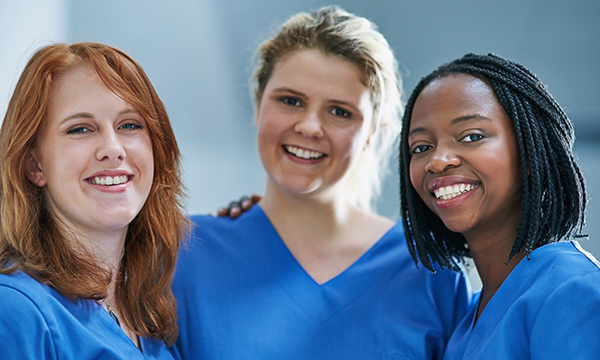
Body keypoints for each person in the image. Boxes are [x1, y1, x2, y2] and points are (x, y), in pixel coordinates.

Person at [172, 6, 470, 360]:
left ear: (372, 133)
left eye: (340, 111)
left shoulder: (431, 273)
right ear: (258, 103)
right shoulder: (183, 255)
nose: (310, 127)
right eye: (291, 100)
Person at [399, 53, 600, 359]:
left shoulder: (572, 289)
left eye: (471, 136)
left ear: (531, 154)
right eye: (422, 147)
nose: (438, 161)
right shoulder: (465, 326)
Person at [0, 42, 188, 359]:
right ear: (35, 165)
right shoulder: (16, 310)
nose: (112, 149)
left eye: (129, 124)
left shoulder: (147, 315)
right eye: (80, 129)